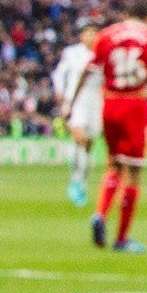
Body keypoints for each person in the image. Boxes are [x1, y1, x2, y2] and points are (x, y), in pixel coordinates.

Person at [86, 17, 147, 253]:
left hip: (109, 102)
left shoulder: (106, 35)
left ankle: (100, 213)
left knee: (114, 165)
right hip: (134, 104)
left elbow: (94, 68)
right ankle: (121, 238)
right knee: (134, 171)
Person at [53, 23, 101, 209]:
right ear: (82, 36)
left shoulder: (103, 54)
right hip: (75, 100)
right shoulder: (71, 53)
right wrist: (60, 92)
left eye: (94, 34)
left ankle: (81, 181)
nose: (91, 37)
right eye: (87, 34)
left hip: (95, 102)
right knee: (78, 138)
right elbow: (59, 74)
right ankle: (75, 181)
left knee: (88, 144)